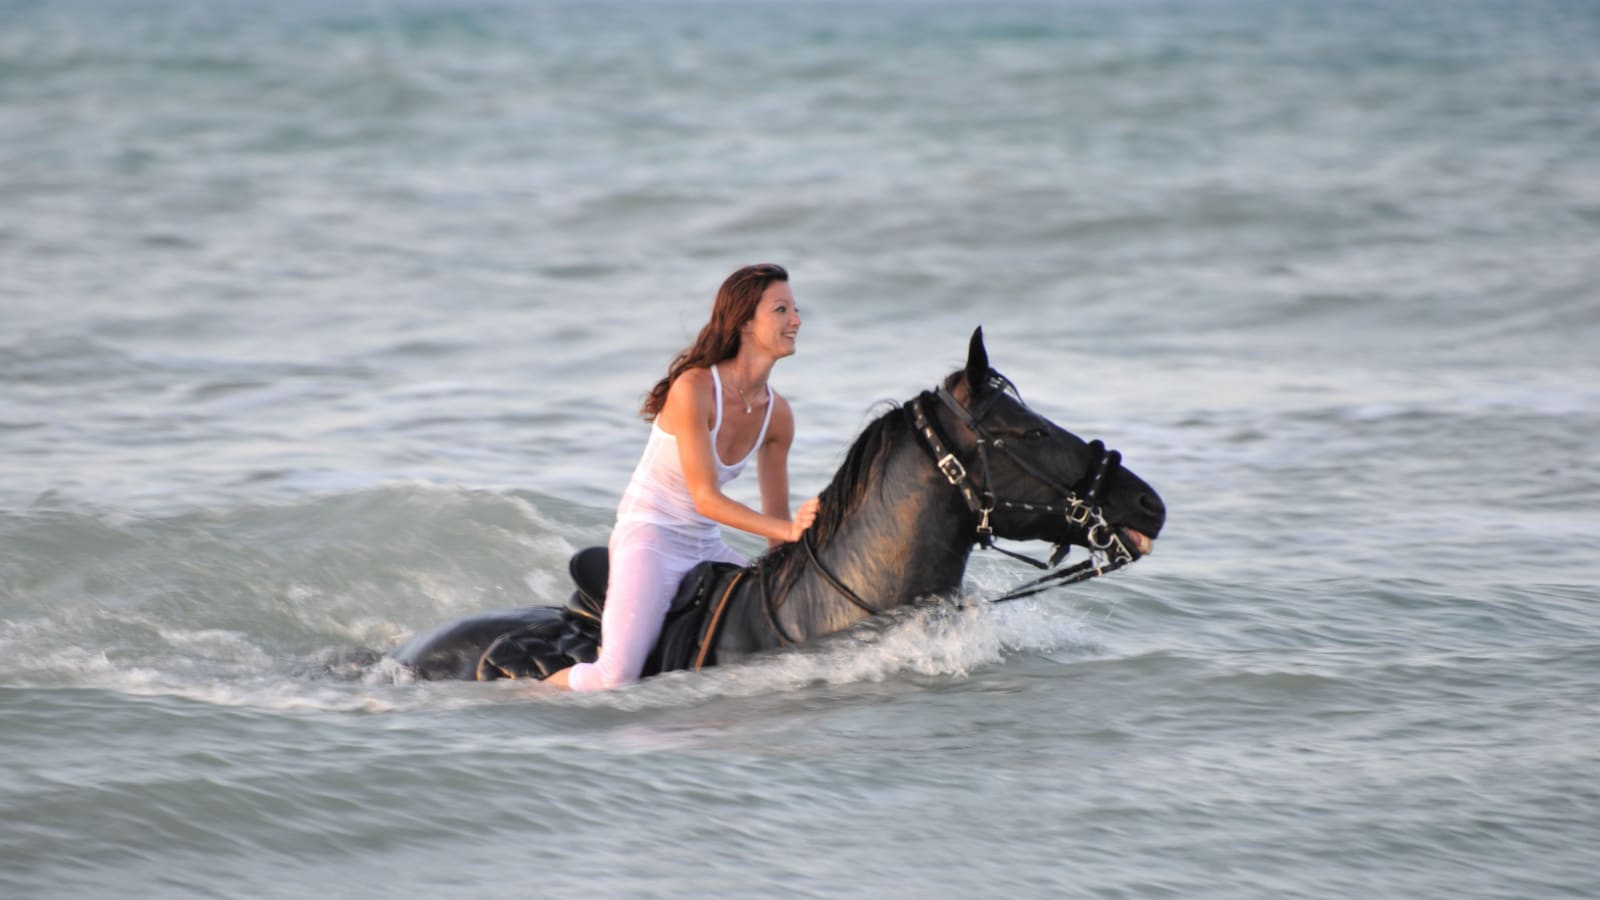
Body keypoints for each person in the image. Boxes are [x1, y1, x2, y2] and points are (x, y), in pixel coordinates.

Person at [546, 263, 820, 691]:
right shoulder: (694, 388)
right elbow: (706, 500)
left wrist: (791, 570)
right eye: (781, 310)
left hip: (704, 545)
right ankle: (529, 694)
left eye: (795, 309)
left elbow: (774, 523)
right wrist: (790, 530)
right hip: (651, 535)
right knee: (613, 677)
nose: (797, 321)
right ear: (745, 322)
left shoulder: (778, 415)